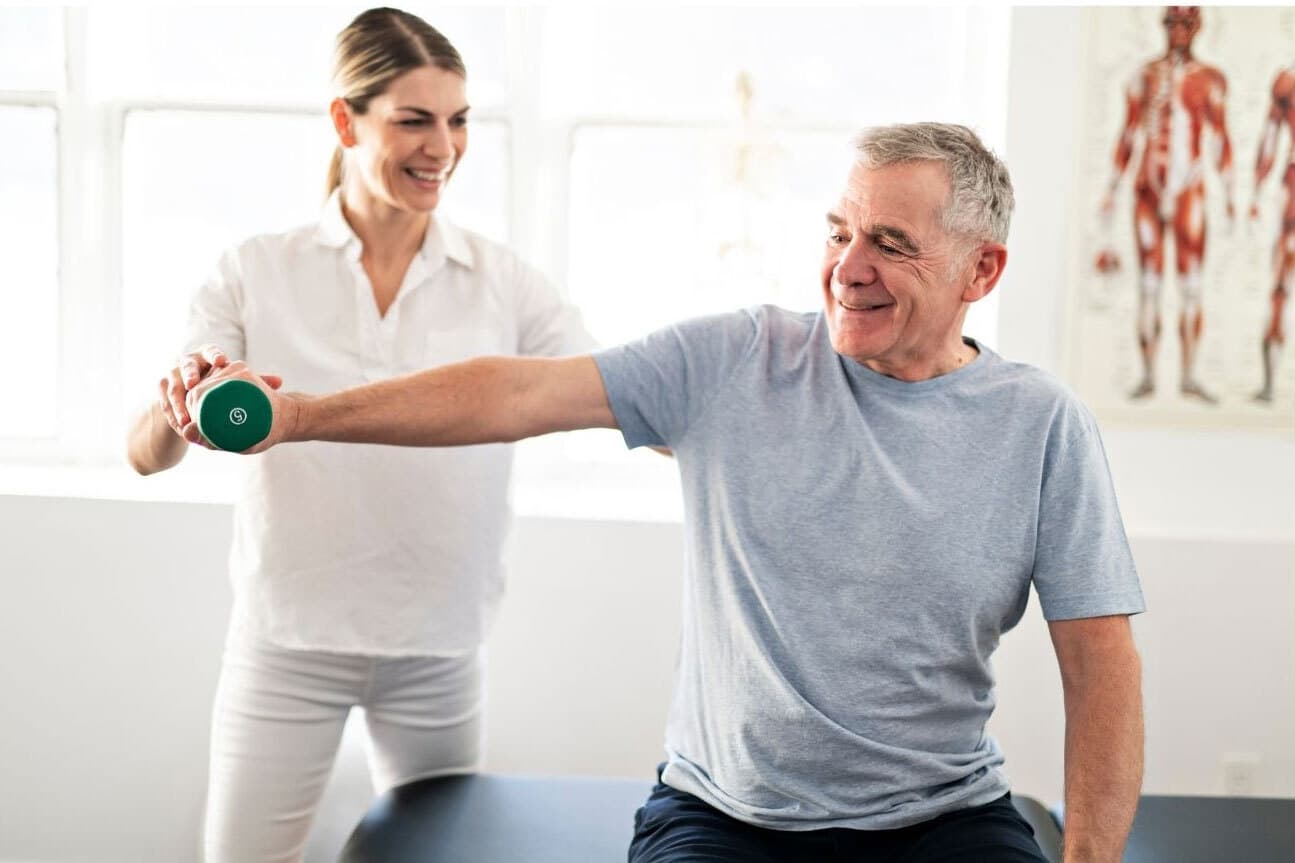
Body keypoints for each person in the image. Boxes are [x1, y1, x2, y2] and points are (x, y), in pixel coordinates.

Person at [176, 123, 1146, 863]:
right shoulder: (734, 360)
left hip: (942, 817)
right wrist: (297, 416)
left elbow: (1098, 664)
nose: (847, 270)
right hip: (725, 816)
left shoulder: (1038, 425)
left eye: (889, 243)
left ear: (981, 269)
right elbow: (514, 390)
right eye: (839, 231)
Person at [126, 8, 592, 862]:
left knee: (439, 856)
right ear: (346, 121)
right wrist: (177, 403)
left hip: (437, 643)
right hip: (287, 638)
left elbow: (606, 391)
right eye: (413, 119)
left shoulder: (503, 282)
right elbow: (145, 454)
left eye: (457, 121)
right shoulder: (257, 268)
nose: (442, 147)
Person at [1099, 5, 1234, 403]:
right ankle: (1148, 375)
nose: (1178, 31)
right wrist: (1111, 188)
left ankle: (1189, 375)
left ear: (1197, 27)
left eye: (1186, 23)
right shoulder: (1144, 76)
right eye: (1172, 23)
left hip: (1189, 190)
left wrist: (1228, 195)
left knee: (1192, 287)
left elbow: (1221, 138)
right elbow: (1127, 135)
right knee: (1150, 286)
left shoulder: (1209, 80)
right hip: (1148, 189)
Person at [1249, 64, 1295, 403]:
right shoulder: (1287, 80)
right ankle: (1270, 382)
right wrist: (1255, 192)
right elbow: (1269, 137)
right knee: (1281, 279)